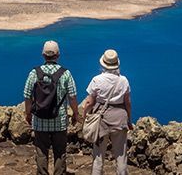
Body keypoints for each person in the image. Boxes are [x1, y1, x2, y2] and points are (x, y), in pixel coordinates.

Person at [23, 40, 79, 175]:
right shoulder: (65, 73)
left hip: (40, 120)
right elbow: (72, 97)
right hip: (59, 121)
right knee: (60, 153)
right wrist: (75, 114)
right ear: (58, 55)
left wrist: (28, 114)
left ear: (43, 55)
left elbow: (27, 96)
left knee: (41, 152)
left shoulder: (34, 73)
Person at [80, 49, 132, 175]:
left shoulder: (96, 80)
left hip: (101, 119)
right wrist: (129, 120)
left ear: (103, 64)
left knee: (98, 157)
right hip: (120, 119)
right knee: (121, 156)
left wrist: (84, 115)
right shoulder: (124, 80)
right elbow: (127, 103)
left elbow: (89, 102)